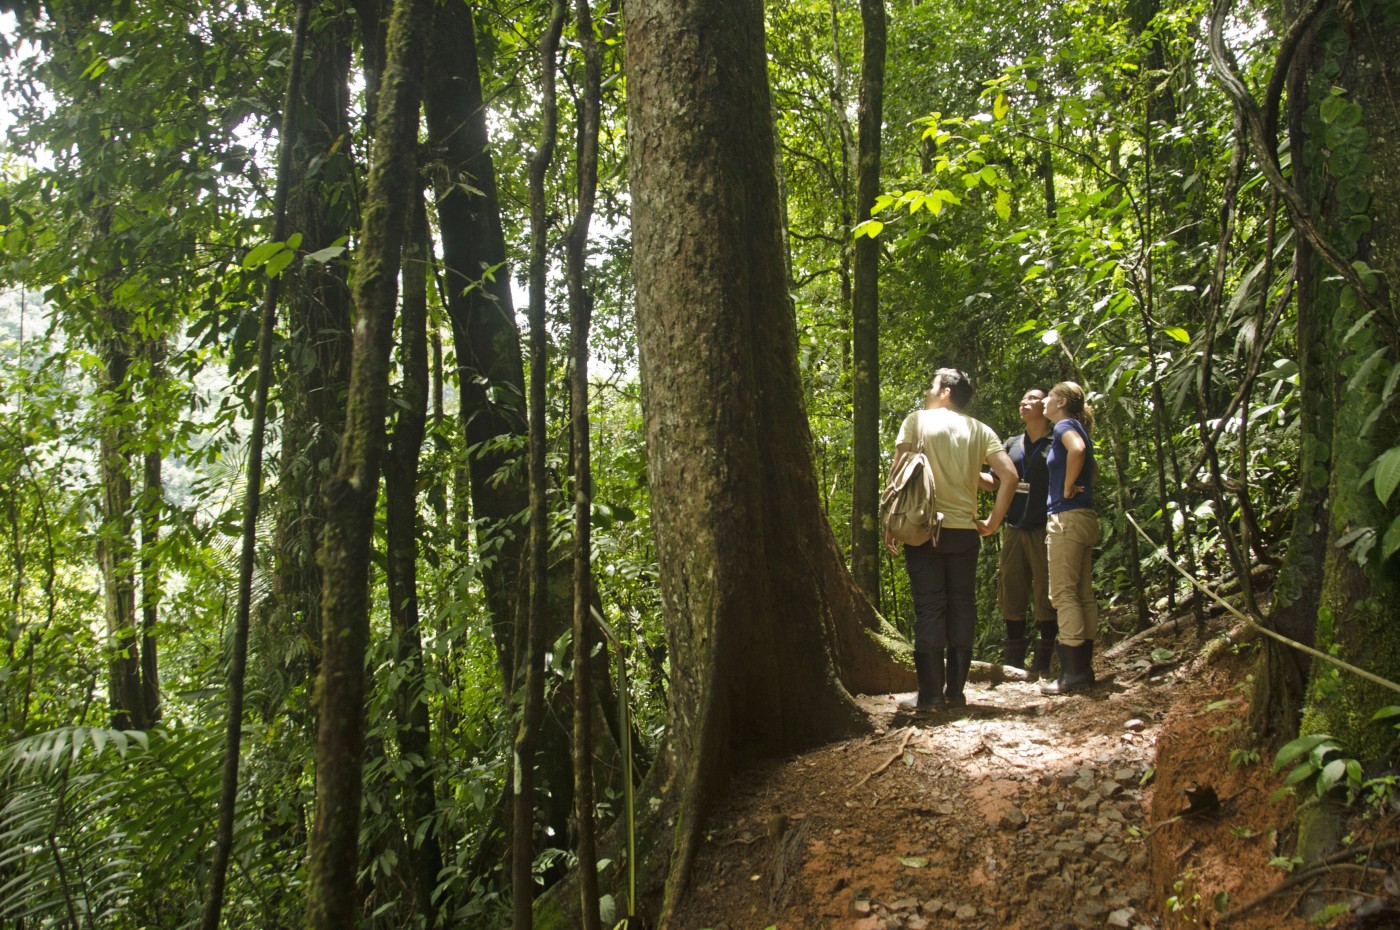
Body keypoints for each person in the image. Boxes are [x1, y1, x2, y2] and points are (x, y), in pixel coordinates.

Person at [886, 369, 1019, 710]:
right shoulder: (979, 430)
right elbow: (1008, 476)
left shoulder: (917, 421)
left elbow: (899, 471)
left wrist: (890, 519)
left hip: (923, 528)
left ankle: (930, 696)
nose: (927, 389)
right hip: (964, 532)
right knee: (961, 604)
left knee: (930, 607)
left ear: (945, 391)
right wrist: (992, 522)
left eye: (931, 384)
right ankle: (955, 694)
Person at [991, 389, 1057, 679]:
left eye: (1031, 399)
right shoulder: (1011, 444)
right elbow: (995, 482)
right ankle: (1014, 664)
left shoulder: (1057, 441)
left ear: (1045, 405)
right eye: (1022, 398)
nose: (1023, 402)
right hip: (1014, 527)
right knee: (1011, 590)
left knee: (1046, 591)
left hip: (1044, 527)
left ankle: (1044, 662)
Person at [1040, 381, 1099, 695]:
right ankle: (1082, 668)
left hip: (1067, 518)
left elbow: (1077, 449)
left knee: (1063, 595)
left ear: (1061, 401)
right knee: (1081, 593)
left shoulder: (1065, 425)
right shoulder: (1076, 424)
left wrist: (1065, 487)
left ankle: (1072, 672)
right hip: (1084, 516)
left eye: (1049, 396)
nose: (1045, 401)